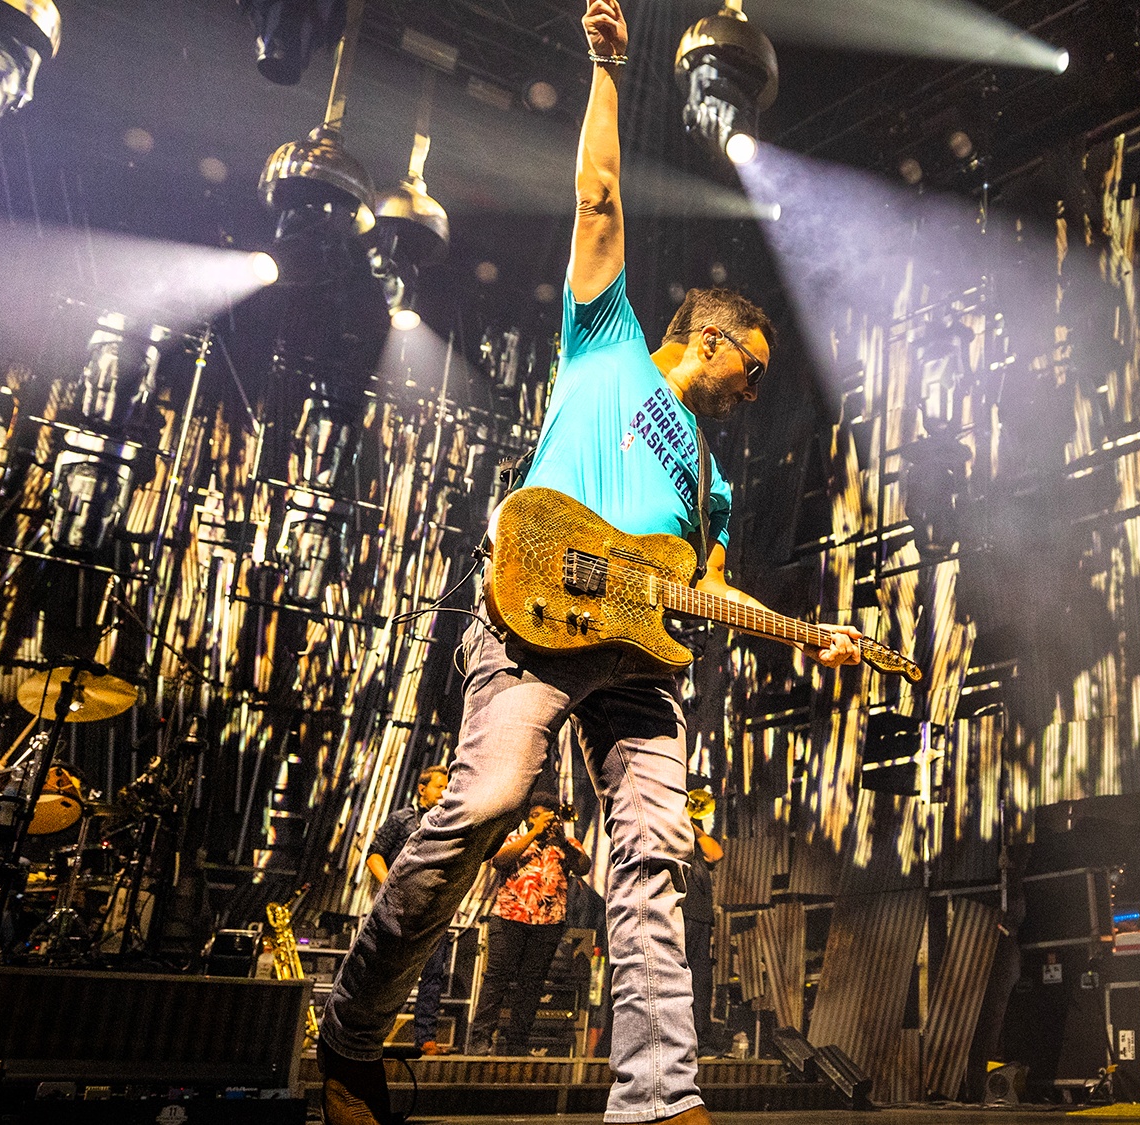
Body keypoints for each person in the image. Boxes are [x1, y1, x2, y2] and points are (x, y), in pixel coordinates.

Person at [316, 3, 864, 1120]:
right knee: (486, 805)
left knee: (655, 857)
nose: (755, 394)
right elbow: (600, 198)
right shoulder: (607, 342)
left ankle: (658, 1103)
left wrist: (811, 634)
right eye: (752, 371)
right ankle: (352, 1031)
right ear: (707, 340)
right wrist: (606, 71)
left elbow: (698, 591)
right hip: (528, 622)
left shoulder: (708, 482)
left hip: (640, 669)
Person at [469, 791, 592, 1056]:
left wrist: (562, 842)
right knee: (496, 980)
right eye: (535, 816)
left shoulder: (567, 843)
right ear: (527, 818)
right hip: (509, 918)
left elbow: (583, 867)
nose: (542, 821)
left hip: (548, 923)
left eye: (547, 817)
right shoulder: (514, 838)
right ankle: (480, 1040)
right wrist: (533, 834)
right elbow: (499, 861)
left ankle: (517, 1043)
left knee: (532, 984)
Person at [365, 764, 455, 1054]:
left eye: (447, 787)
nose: (444, 792)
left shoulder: (449, 822)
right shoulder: (401, 818)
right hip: (398, 909)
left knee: (432, 976)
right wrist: (389, 884)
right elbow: (374, 854)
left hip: (433, 909)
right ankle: (369, 1035)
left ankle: (426, 1038)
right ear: (422, 788)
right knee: (387, 972)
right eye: (439, 786)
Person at [685, 798, 722, 1054]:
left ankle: (701, 1037)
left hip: (699, 916)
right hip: (677, 913)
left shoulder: (698, 841)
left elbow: (715, 853)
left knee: (700, 980)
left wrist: (694, 827)